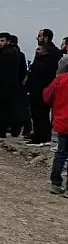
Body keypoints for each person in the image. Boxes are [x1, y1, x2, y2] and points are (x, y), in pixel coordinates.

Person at [26, 29, 62, 147]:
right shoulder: (52, 51)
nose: (37, 38)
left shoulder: (49, 51)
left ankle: (41, 137)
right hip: (42, 86)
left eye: (39, 36)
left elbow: (45, 69)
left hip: (42, 86)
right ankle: (39, 133)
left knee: (40, 112)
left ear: (45, 38)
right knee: (39, 112)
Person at [0, 33, 24, 138]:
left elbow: (2, 71)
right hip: (12, 84)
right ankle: (13, 130)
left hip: (5, 85)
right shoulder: (15, 52)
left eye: (2, 41)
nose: (0, 43)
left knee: (2, 109)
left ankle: (1, 131)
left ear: (8, 41)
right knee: (11, 108)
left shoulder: (7, 53)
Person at [45, 58, 68, 194]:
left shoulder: (60, 80)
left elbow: (47, 96)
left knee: (61, 152)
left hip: (62, 120)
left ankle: (56, 182)